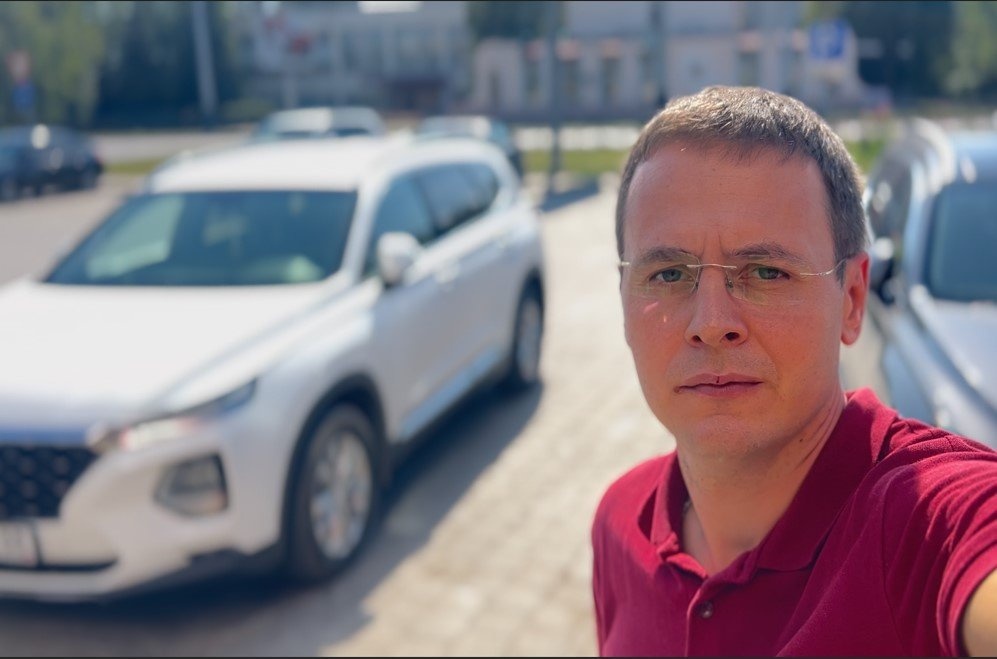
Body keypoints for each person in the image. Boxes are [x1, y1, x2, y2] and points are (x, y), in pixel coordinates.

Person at [591, 85, 997, 656]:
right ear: (624, 300)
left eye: (765, 272)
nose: (711, 323)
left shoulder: (919, 522)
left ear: (852, 299)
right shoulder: (619, 521)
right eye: (669, 275)